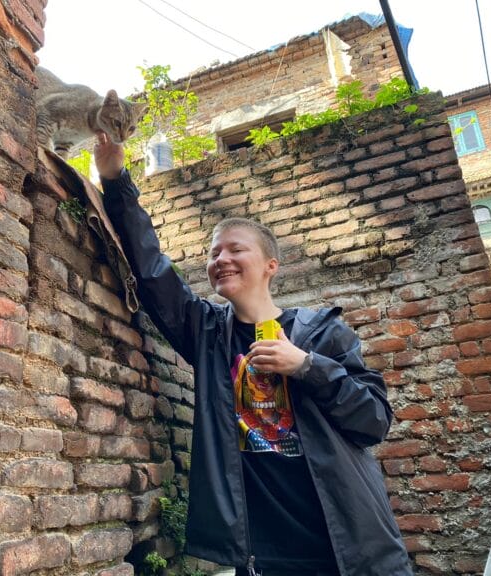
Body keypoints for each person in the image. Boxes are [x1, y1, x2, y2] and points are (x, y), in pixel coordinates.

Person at [94, 133, 412, 576]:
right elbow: (152, 273)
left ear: (270, 266)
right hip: (261, 554)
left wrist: (306, 366)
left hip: (347, 548)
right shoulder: (206, 332)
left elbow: (373, 421)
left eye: (235, 249)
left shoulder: (322, 333)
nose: (221, 259)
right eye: (213, 253)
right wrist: (115, 180)